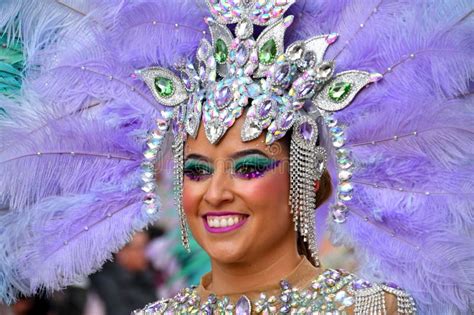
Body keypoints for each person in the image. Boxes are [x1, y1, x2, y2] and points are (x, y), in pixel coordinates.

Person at [0, 1, 472, 314]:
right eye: (196, 170)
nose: (216, 193)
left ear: (309, 181)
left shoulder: (374, 309)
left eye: (249, 167)